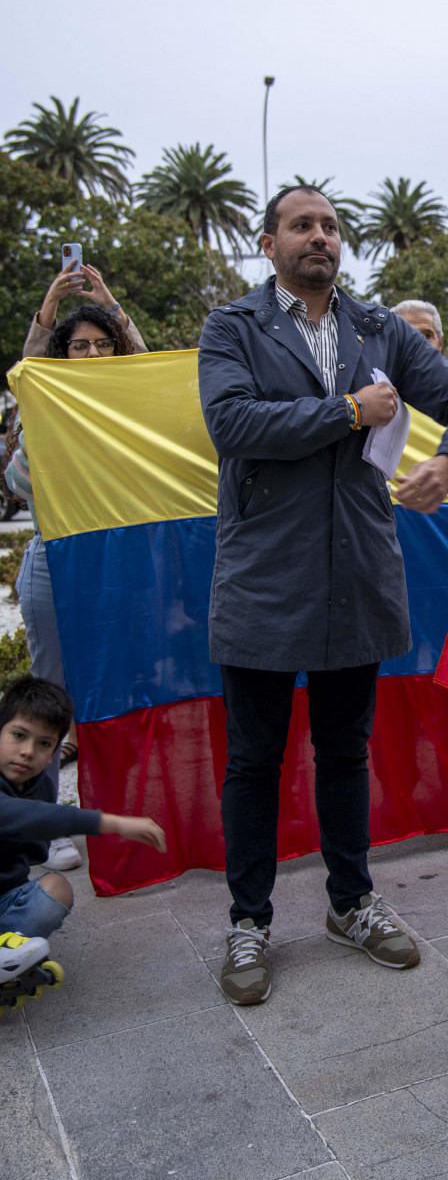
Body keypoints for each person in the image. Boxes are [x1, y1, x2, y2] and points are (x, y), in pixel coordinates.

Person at [197, 184, 448, 1007]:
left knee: (345, 752)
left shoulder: (382, 329)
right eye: (302, 225)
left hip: (356, 576)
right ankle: (249, 920)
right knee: (253, 760)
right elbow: (234, 425)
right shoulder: (232, 327)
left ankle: (351, 903)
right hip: (263, 579)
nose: (319, 236)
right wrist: (345, 410)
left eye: (330, 224)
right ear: (269, 244)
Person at [3, 292, 143, 872]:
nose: (89, 353)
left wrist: (115, 309)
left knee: (124, 693)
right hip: (53, 566)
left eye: (101, 344)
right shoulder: (44, 407)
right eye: (78, 345)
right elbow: (18, 481)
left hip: (117, 570)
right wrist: (45, 313)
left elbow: (148, 368)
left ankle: (122, 810)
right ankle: (50, 829)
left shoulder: (126, 409)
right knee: (47, 703)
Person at [0, 675, 165, 940]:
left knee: (56, 888)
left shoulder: (40, 787)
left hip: (6, 900)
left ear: (54, 753)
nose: (28, 751)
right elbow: (25, 816)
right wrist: (116, 824)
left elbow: (36, 852)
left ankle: (9, 953)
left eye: (43, 743)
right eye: (19, 736)